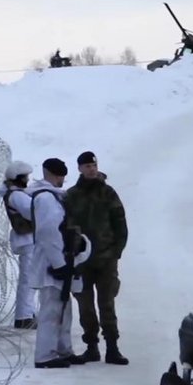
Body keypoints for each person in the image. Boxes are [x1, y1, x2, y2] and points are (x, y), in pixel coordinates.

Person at [64, 151, 130, 365]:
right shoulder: (72, 195)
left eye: (94, 165)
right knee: (85, 305)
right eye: (87, 166)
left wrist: (115, 252)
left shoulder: (108, 193)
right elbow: (65, 225)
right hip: (82, 260)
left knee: (107, 303)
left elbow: (120, 225)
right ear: (80, 169)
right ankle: (91, 346)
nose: (91, 169)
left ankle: (112, 347)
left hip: (105, 259)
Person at [28, 158, 91, 369]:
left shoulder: (54, 197)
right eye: (60, 174)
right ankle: (45, 355)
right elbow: (48, 232)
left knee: (64, 308)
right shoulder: (46, 199)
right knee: (51, 310)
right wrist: (58, 264)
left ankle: (63, 349)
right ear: (52, 174)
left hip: (61, 259)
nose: (62, 178)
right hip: (51, 263)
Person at [0, 160, 38, 329]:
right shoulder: (17, 196)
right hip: (28, 240)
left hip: (27, 239)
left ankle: (27, 313)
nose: (27, 180)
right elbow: (33, 212)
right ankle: (24, 316)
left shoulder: (16, 193)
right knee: (28, 280)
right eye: (25, 177)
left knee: (29, 279)